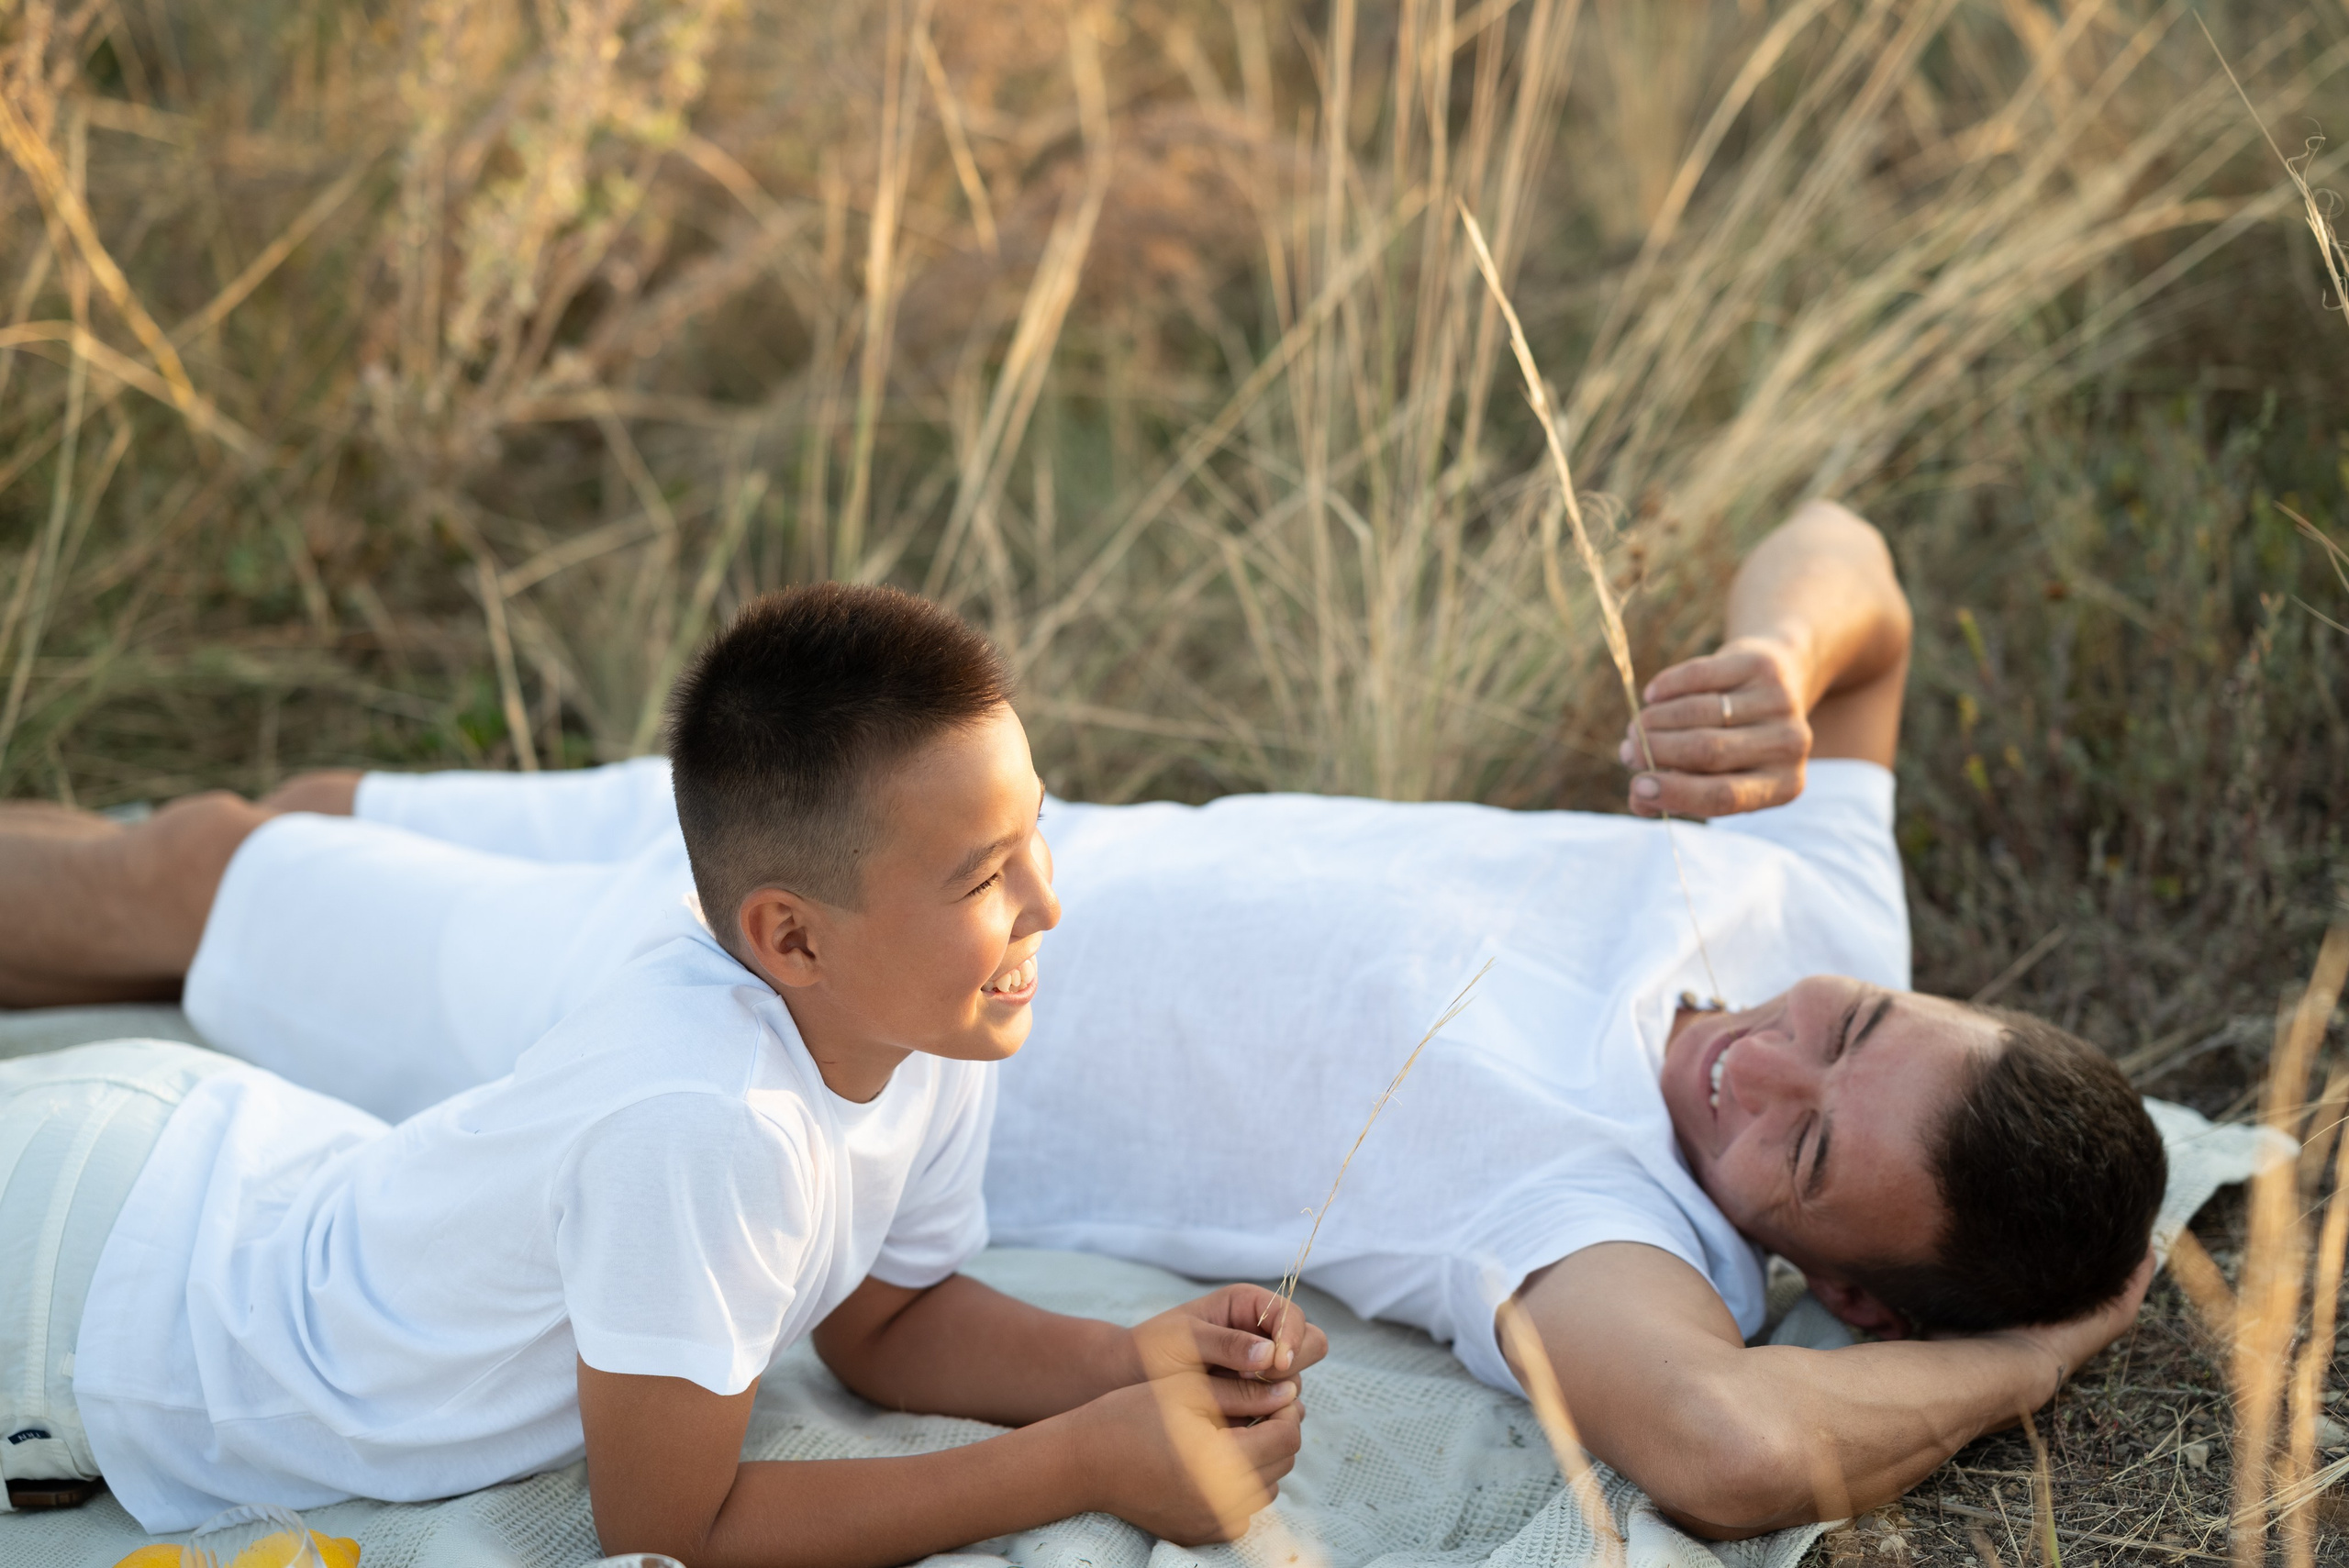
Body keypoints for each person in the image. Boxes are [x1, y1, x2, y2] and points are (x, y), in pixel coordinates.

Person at [0, 501, 2164, 1541]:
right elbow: (1850, 557)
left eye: (1794, 1154)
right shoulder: (1804, 881)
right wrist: (1781, 654)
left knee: (201, 900)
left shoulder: (1604, 1234)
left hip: (840, 1025)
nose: (1754, 1063)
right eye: (1846, 1021)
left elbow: (1724, 1448)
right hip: (889, 832)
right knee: (228, 837)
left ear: (1839, 1292)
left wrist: (2051, 1348)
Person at [0, 588, 1324, 1562]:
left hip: (225, 1162)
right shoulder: (709, 1119)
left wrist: (1130, 1365)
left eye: (1035, 832)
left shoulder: (924, 1015)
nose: (1046, 899)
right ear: (790, 934)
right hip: (88, 1299)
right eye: (984, 874)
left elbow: (884, 1322)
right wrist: (1080, 1462)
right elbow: (673, 1528)